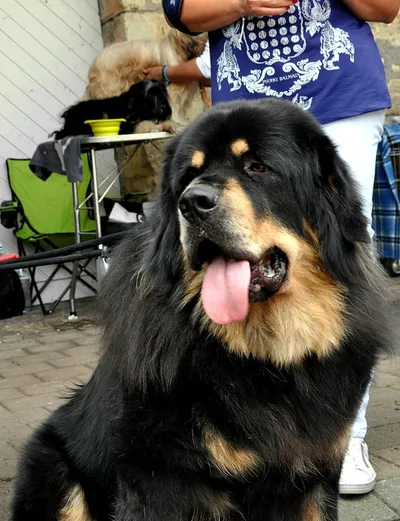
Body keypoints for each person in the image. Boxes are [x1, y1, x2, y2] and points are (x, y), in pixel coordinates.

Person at [161, 0, 400, 495]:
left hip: (337, 93)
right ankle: (245, 437)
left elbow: (386, 7)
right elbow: (181, 12)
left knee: (340, 254)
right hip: (242, 98)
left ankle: (341, 437)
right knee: (227, 241)